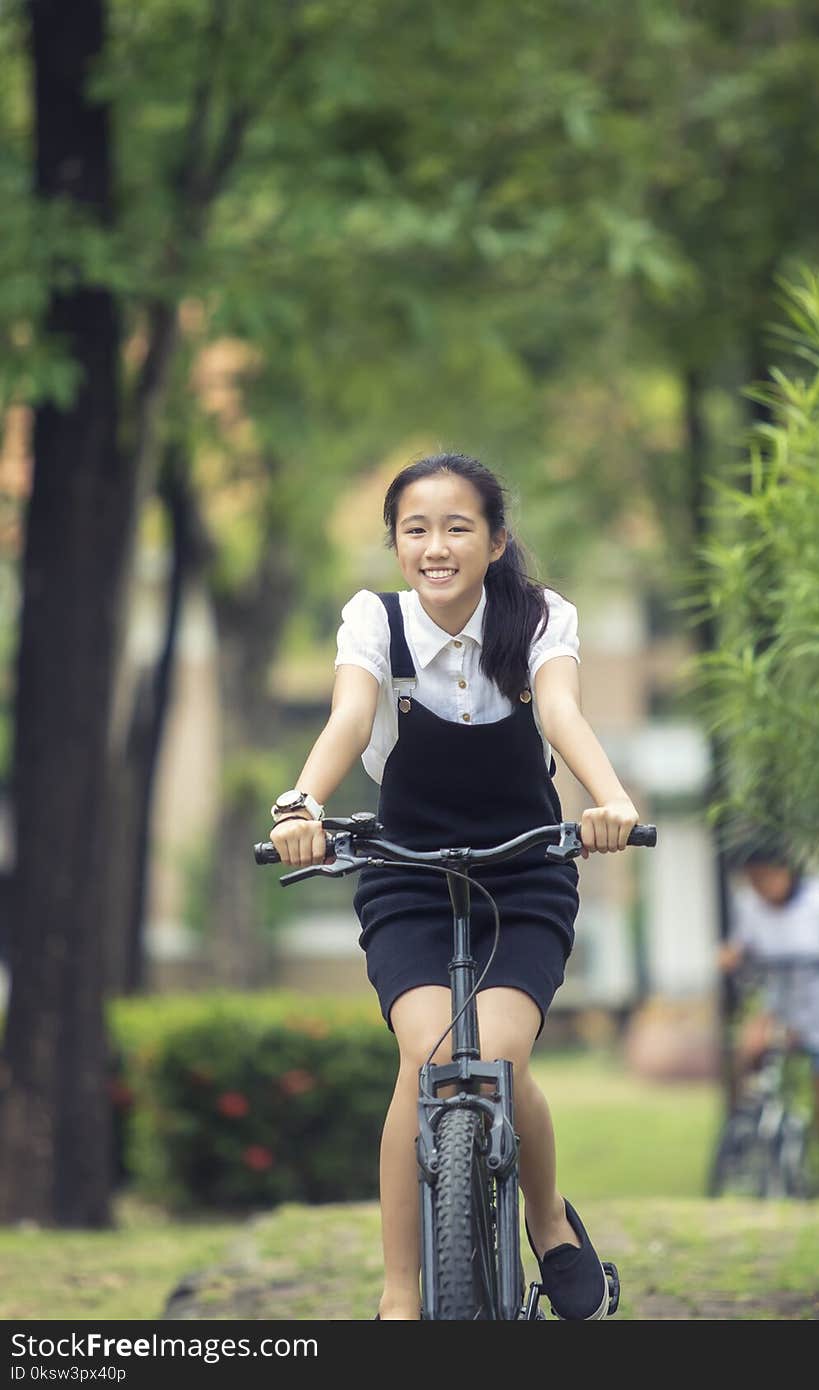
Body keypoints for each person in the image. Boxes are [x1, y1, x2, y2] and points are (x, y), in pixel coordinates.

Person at [268, 451, 640, 1319]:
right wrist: (300, 803)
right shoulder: (375, 623)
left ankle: (546, 1219)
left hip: (522, 873)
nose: (437, 546)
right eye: (417, 530)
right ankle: (402, 1296)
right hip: (407, 875)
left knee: (500, 1059)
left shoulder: (540, 618)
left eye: (458, 528)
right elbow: (350, 716)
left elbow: (560, 713)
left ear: (496, 541)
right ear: (397, 545)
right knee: (426, 1056)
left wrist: (610, 799)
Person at [719, 842, 819, 1201]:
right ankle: (742, 1131)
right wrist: (730, 955)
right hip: (783, 1012)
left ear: (785, 872)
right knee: (747, 1047)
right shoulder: (751, 906)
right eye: (752, 881)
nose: (760, 888)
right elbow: (741, 946)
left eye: (765, 879)